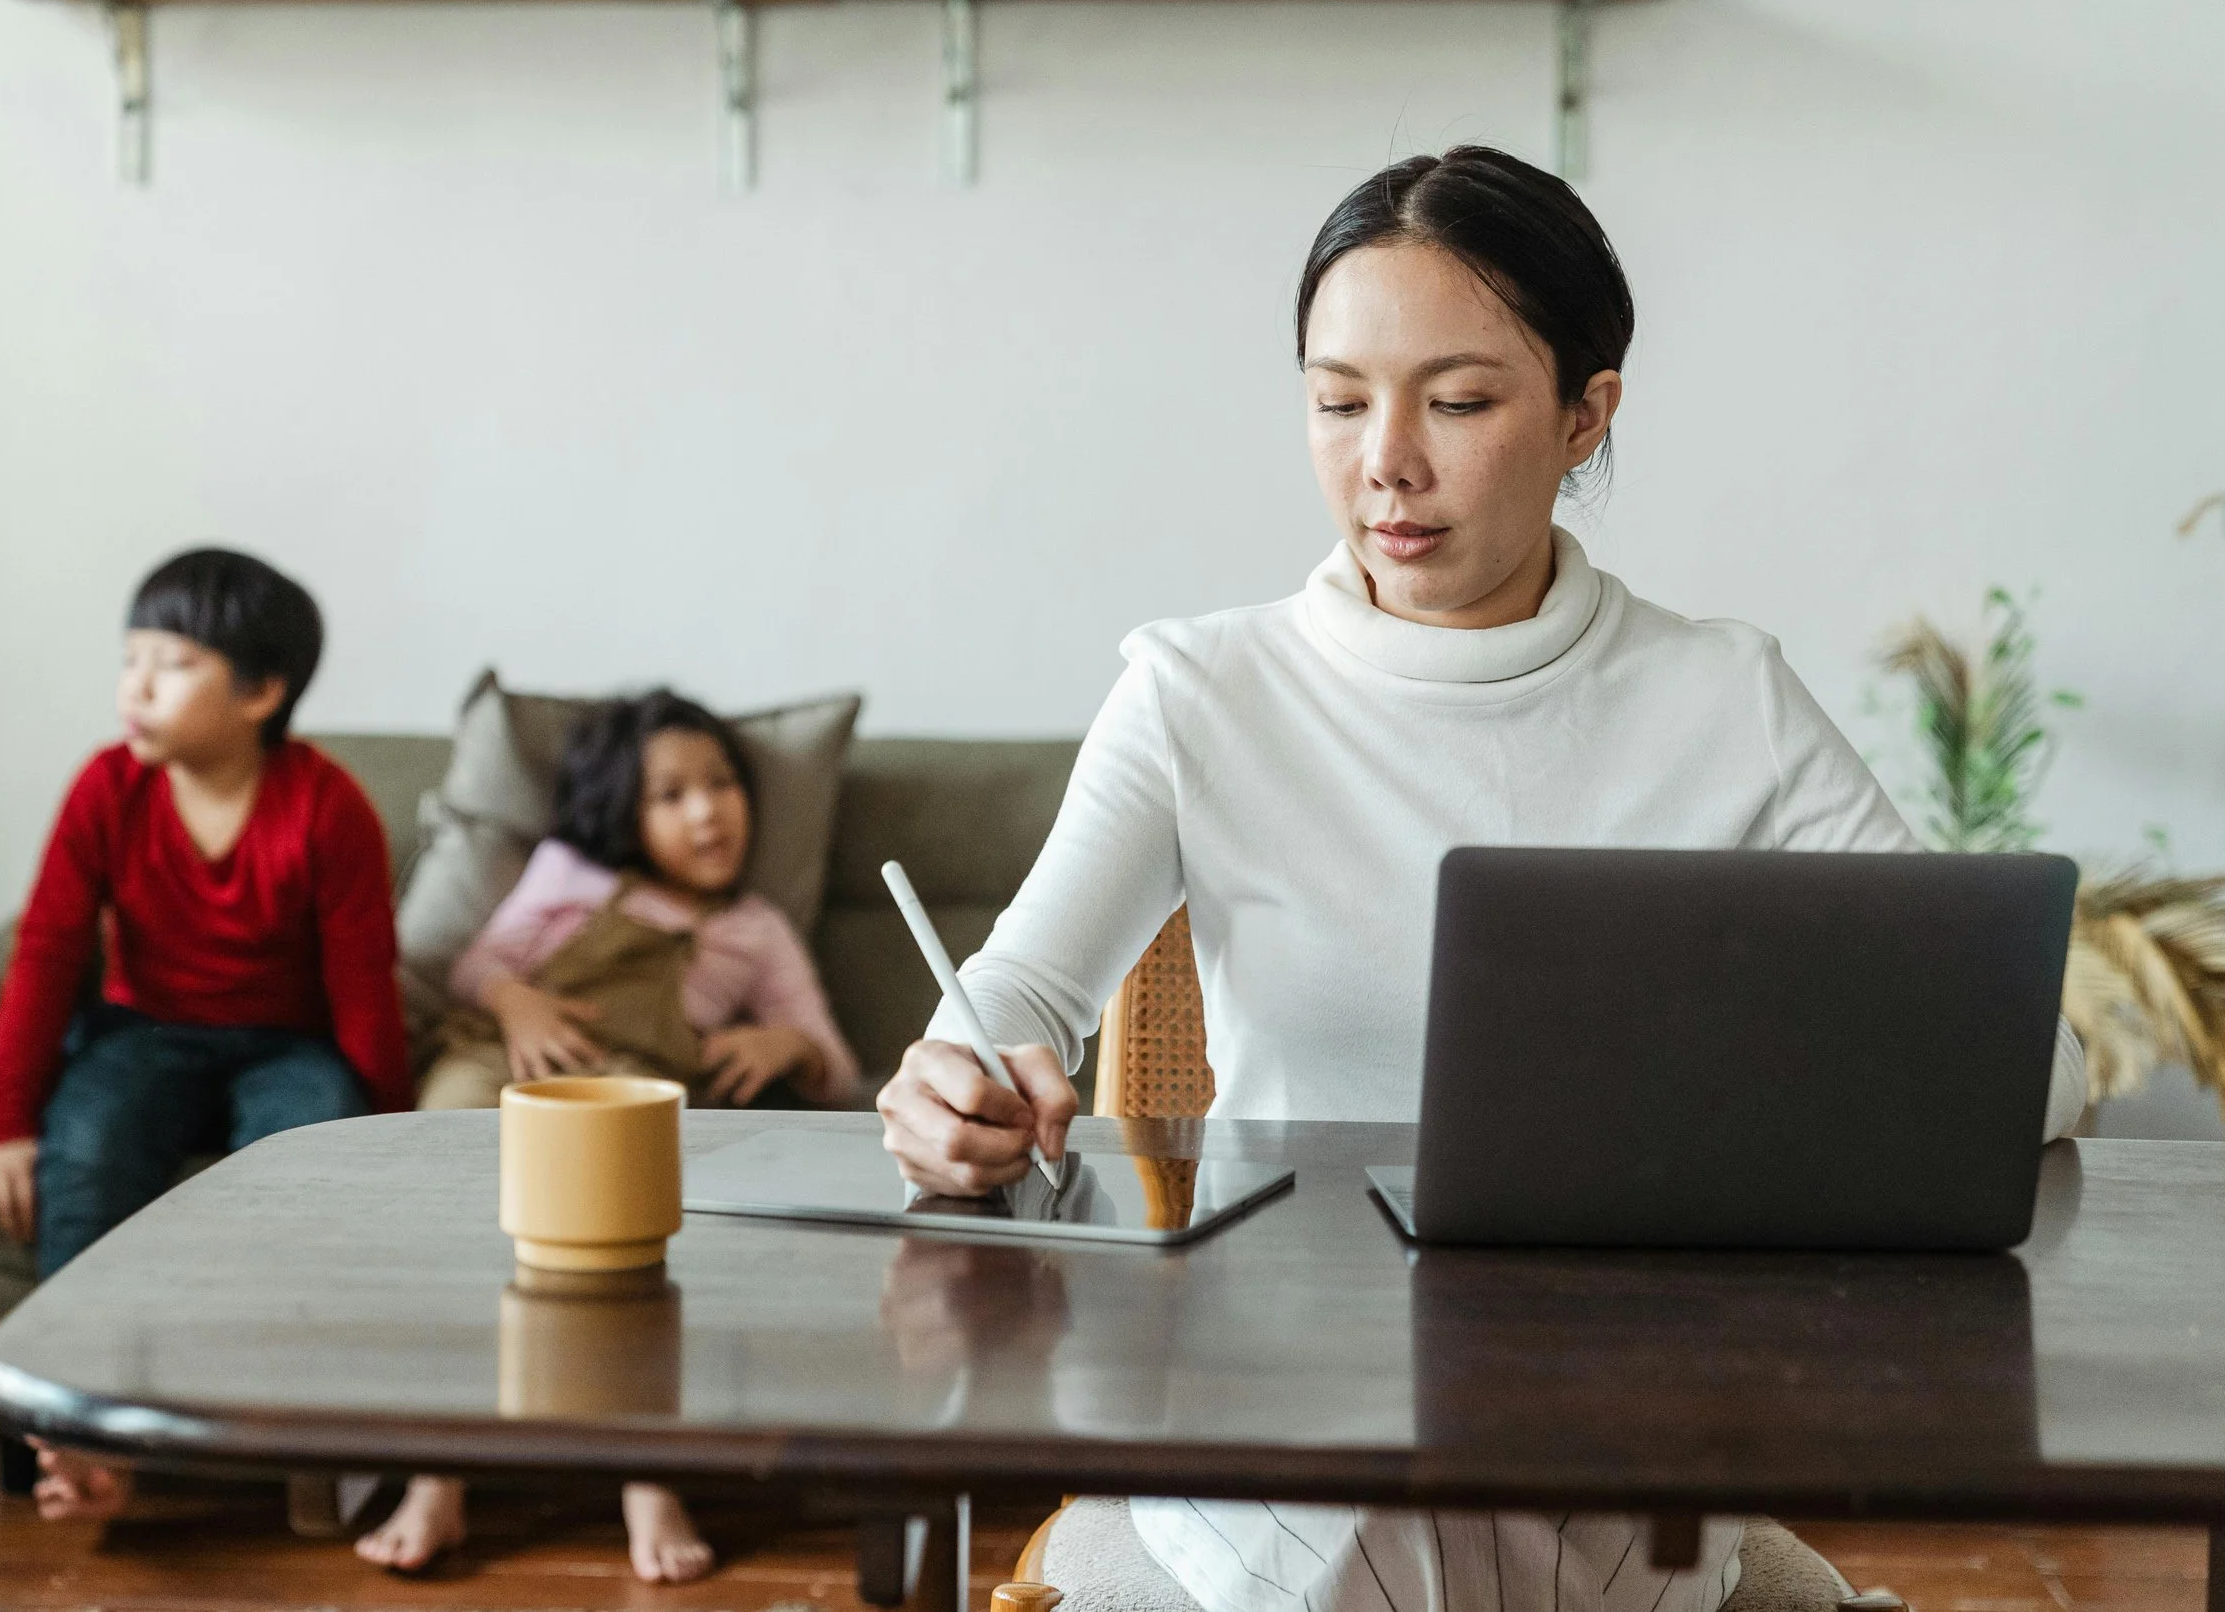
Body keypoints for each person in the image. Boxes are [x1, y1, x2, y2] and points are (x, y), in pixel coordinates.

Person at [875, 146, 2088, 1612]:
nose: (1386, 457)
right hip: (1275, 1414)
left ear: (1589, 412)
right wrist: (956, 1071)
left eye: (1458, 400)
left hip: (1622, 1419)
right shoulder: (1202, 690)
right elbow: (1017, 987)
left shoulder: (1722, 697)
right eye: (1337, 399)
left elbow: (2023, 1061)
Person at [0, 547, 415, 1523]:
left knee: (314, 1143)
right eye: (131, 659)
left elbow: (365, 989)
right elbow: (44, 954)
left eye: (171, 662)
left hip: (285, 1040)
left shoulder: (327, 807)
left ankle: (281, 1422)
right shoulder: (106, 789)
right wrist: (4, 1119)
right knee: (88, 1145)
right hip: (145, 1028)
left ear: (261, 692)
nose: (137, 685)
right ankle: (80, 1433)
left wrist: (395, 1147)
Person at [358, 687, 861, 1578]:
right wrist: (518, 1003)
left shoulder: (755, 929)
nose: (707, 809)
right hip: (505, 1062)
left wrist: (784, 1042)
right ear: (620, 811)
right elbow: (479, 965)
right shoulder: (567, 874)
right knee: (449, 1184)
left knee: (618, 1229)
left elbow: (835, 1061)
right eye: (670, 794)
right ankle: (439, 1471)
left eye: (722, 783)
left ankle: (649, 1469)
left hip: (631, 1092)